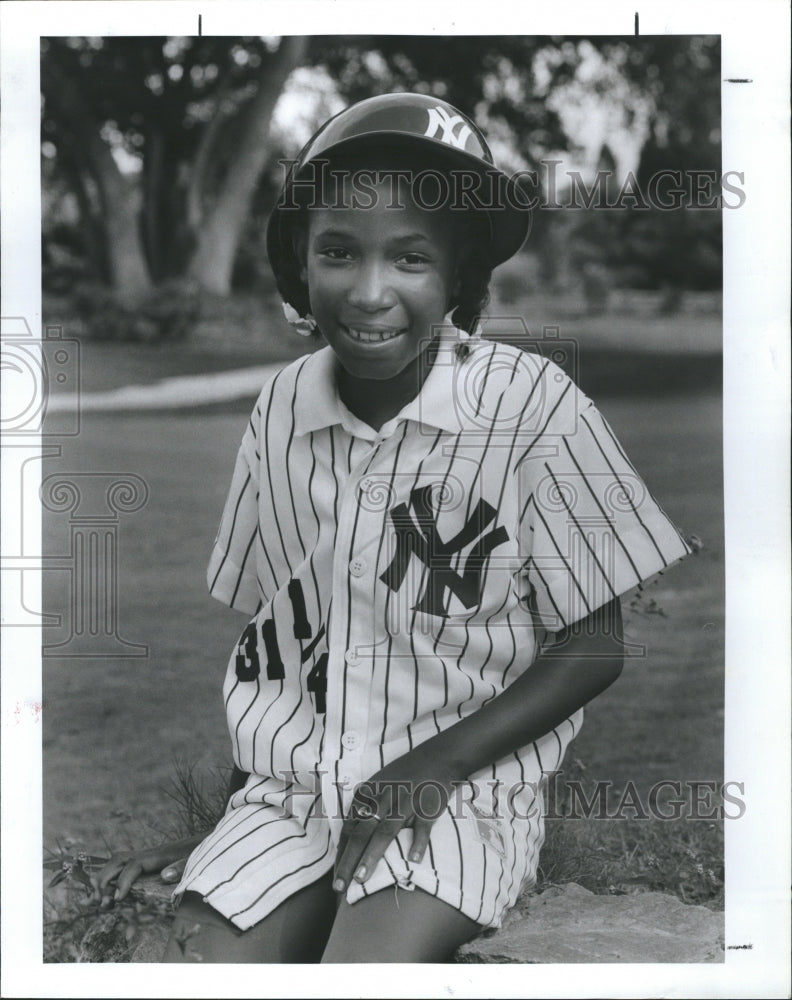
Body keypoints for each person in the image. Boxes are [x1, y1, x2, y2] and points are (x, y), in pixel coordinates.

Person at [94, 93, 691, 963]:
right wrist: (226, 825)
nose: (370, 291)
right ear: (301, 264)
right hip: (289, 795)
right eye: (339, 251)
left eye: (410, 259)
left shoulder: (531, 402)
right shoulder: (279, 410)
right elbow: (276, 636)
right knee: (186, 969)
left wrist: (432, 768)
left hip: (463, 791)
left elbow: (596, 645)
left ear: (459, 282)